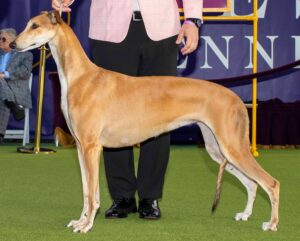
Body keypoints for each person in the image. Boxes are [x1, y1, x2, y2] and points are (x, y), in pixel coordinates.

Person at [52, 0, 203, 219]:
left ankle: (150, 197)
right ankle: (121, 196)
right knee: (109, 119)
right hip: (109, 30)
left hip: (162, 31)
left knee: (160, 117)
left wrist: (192, 19)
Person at [0, 28, 33, 144]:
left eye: (3, 39)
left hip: (16, 89)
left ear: (12, 40)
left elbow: (25, 72)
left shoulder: (25, 54)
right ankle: (13, 105)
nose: (0, 41)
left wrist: (6, 74)